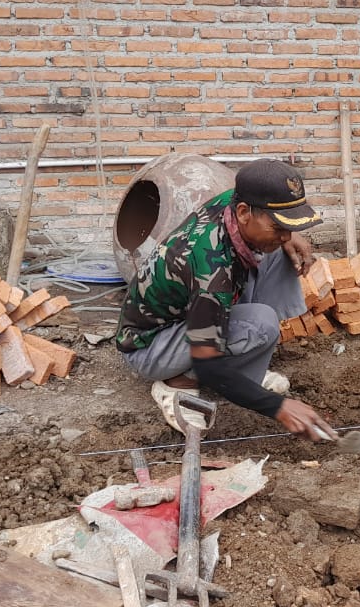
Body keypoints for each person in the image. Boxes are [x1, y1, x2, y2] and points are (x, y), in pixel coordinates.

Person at [116, 159, 335, 440]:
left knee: (279, 255)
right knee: (262, 325)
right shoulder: (211, 270)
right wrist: (278, 407)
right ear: (244, 212)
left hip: (187, 311)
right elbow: (209, 364)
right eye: (279, 226)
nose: (286, 234)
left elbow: (272, 234)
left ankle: (242, 366)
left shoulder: (233, 203)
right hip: (149, 347)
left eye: (289, 225)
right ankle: (177, 383)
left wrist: (287, 237)